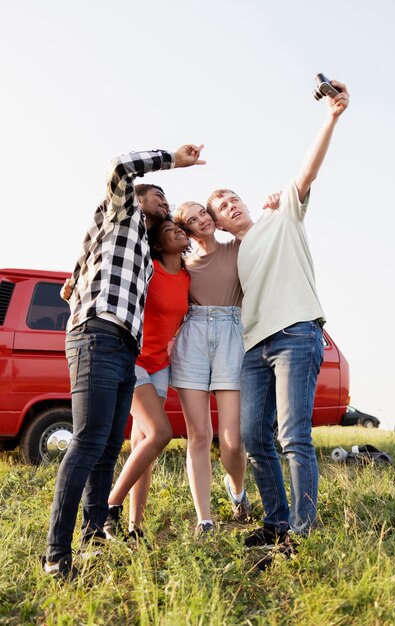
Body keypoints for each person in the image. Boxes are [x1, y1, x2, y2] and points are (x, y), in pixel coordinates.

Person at [42, 144, 204, 579]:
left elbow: (87, 253)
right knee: (89, 441)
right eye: (160, 198)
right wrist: (174, 158)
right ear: (138, 197)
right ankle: (57, 555)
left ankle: (93, 536)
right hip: (96, 334)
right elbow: (119, 166)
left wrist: (74, 277)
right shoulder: (122, 212)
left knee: (111, 445)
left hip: (124, 345)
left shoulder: (144, 255)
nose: (165, 205)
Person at [206, 80, 350, 552]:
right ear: (220, 223)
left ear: (244, 203)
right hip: (253, 348)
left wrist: (330, 116)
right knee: (252, 436)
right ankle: (276, 520)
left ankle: (301, 534)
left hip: (294, 334)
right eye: (221, 207)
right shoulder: (229, 253)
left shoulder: (281, 215)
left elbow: (306, 172)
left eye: (232, 197)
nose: (230, 205)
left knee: (293, 436)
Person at [103, 215, 190, 541]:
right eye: (169, 230)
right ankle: (109, 505)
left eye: (179, 228)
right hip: (134, 360)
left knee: (143, 444)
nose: (177, 231)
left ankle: (134, 528)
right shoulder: (147, 268)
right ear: (156, 243)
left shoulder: (186, 275)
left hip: (160, 365)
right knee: (160, 433)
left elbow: (183, 314)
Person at [170, 201, 252, 534]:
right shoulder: (183, 264)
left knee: (233, 441)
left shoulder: (236, 246)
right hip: (193, 338)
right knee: (199, 435)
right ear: (186, 230)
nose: (202, 219)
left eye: (203, 213)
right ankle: (204, 518)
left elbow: (258, 232)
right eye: (192, 219)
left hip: (232, 334)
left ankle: (237, 491)